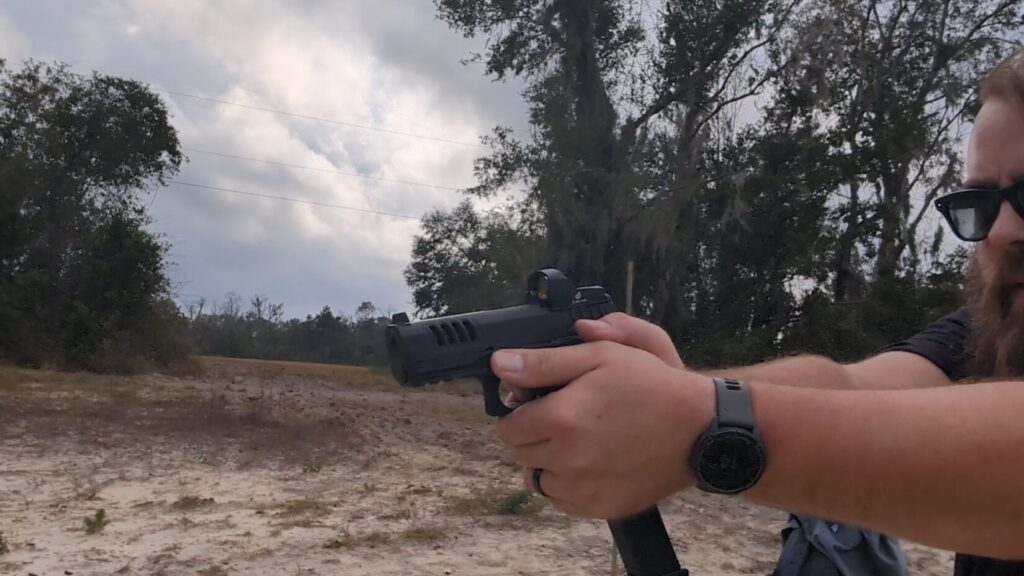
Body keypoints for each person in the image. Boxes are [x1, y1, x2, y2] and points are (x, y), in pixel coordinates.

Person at [490, 46, 1024, 575]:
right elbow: (853, 390)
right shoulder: (997, 327)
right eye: (979, 206)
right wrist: (676, 392)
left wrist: (706, 423)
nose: (1001, 233)